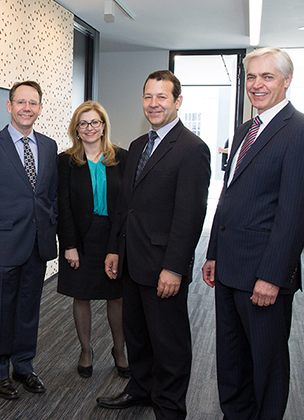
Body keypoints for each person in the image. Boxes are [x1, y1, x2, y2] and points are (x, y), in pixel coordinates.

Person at [201, 47, 304, 420]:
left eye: (267, 77)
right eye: (252, 77)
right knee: (232, 360)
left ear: (286, 81)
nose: (257, 85)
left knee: (266, 365)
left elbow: (295, 213)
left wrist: (271, 276)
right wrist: (213, 251)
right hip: (229, 270)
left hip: (262, 276)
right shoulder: (245, 130)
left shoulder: (303, 132)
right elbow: (230, 195)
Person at [96, 70, 211, 419]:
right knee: (138, 334)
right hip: (132, 260)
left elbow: (189, 216)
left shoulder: (192, 149)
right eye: (148, 96)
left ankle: (170, 407)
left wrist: (174, 267)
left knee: (169, 343)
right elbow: (125, 205)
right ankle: (141, 388)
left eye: (162, 97)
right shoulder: (137, 146)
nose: (153, 104)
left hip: (163, 265)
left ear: (178, 101)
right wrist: (115, 248)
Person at [0, 80, 58, 400]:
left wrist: (53, 231)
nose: (26, 108)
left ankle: (23, 365)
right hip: (3, 244)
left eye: (33, 103)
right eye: (21, 102)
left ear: (40, 109)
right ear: (9, 106)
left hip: (36, 244)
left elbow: (50, 198)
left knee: (29, 310)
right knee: (3, 311)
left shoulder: (49, 146)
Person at [56, 100, 130, 379]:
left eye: (94, 122)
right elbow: (62, 205)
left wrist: (119, 244)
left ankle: (119, 350)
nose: (89, 128)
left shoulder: (121, 158)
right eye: (83, 123)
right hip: (81, 239)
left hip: (113, 236)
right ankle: (86, 351)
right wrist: (69, 245)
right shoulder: (66, 161)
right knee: (82, 295)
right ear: (76, 129)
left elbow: (125, 205)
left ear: (103, 127)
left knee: (117, 297)